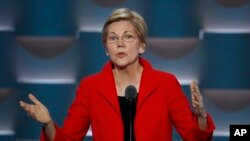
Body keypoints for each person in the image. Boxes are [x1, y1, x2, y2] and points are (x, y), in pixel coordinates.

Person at [19, 8, 215, 141]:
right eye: (112, 38)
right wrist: (48, 123)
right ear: (107, 49)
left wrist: (200, 115)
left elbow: (194, 137)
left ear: (142, 46)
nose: (120, 43)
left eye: (128, 37)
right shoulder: (91, 87)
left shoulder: (165, 83)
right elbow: (68, 139)